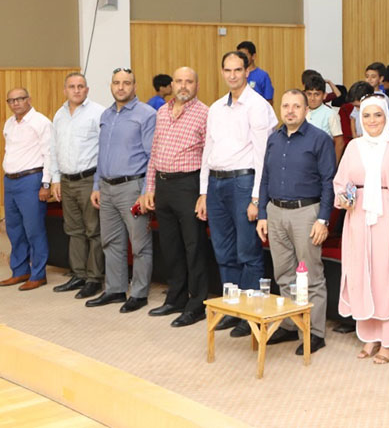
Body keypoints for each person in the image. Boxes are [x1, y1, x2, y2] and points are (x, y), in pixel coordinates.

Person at [335, 93, 389, 363]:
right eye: (366, 115)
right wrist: (344, 198)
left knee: (386, 275)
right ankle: (369, 336)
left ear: (387, 117)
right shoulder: (354, 146)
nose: (372, 120)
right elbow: (342, 182)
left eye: (378, 115)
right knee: (362, 272)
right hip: (358, 216)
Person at [198, 51, 278, 336]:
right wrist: (203, 191)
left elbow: (262, 155)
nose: (232, 75)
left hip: (244, 182)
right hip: (217, 183)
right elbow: (208, 149)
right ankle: (232, 309)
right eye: (227, 70)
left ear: (247, 71)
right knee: (223, 251)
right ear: (222, 72)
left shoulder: (257, 106)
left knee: (248, 251)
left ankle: (250, 314)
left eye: (237, 70)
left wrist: (257, 198)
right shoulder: (216, 107)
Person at [256, 89, 336, 355]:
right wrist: (263, 214)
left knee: (310, 275)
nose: (290, 111)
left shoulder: (320, 139)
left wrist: (323, 219)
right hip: (275, 212)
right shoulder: (273, 139)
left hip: (307, 213)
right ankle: (290, 324)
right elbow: (265, 178)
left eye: (296, 106)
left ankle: (315, 332)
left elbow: (328, 182)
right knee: (284, 274)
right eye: (286, 106)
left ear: (306, 110)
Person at [138, 67, 210, 327]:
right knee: (170, 246)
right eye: (179, 81)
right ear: (172, 84)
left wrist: (204, 193)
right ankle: (176, 298)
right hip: (163, 184)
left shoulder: (205, 113)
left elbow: (209, 156)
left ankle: (197, 304)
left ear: (197, 85)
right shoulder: (161, 111)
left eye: (189, 81)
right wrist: (150, 188)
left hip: (189, 184)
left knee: (194, 246)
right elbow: (155, 151)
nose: (183, 86)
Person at [87, 68, 156, 311]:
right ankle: (115, 289)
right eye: (116, 82)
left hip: (133, 187)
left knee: (139, 244)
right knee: (111, 242)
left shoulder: (146, 114)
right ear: (111, 85)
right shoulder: (106, 115)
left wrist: (146, 191)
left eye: (126, 83)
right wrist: (96, 185)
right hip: (106, 187)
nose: (121, 87)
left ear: (134, 86)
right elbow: (102, 154)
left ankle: (139, 293)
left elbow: (152, 156)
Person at [48, 73, 105, 298]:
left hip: (89, 179)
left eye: (81, 86)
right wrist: (55, 179)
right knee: (73, 230)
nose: (76, 90)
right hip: (66, 180)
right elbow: (54, 149)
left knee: (93, 230)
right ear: (65, 90)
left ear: (87, 90)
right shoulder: (59, 115)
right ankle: (79, 274)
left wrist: (99, 183)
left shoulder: (97, 112)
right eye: (72, 86)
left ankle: (94, 278)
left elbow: (104, 150)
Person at [1, 87, 53, 291]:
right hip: (10, 181)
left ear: (29, 99)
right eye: (11, 100)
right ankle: (20, 271)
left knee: (34, 230)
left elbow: (49, 154)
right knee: (14, 229)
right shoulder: (9, 123)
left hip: (31, 180)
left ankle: (38, 274)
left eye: (20, 99)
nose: (16, 103)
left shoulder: (41, 122)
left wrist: (46, 184)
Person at [303, 75, 345, 162]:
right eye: (309, 94)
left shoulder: (330, 114)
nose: (312, 98)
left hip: (322, 161)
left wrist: (333, 165)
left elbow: (339, 142)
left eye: (317, 94)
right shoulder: (301, 112)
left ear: (324, 95)